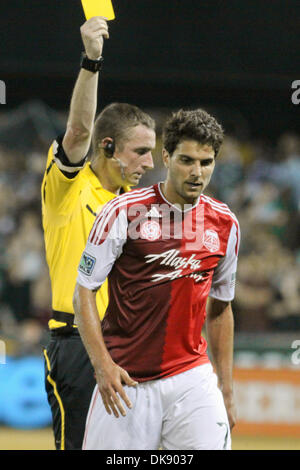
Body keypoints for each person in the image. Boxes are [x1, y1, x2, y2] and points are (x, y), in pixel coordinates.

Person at [73, 108, 241, 450]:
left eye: (206, 162)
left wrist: (225, 386)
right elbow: (84, 291)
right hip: (127, 381)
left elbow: (221, 308)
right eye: (186, 160)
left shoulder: (225, 224)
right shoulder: (123, 212)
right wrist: (103, 365)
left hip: (192, 379)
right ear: (166, 156)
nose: (197, 172)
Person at [41, 17, 156, 450]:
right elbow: (78, 132)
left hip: (132, 348)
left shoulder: (138, 205)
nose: (149, 162)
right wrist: (92, 61)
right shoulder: (67, 190)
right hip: (77, 349)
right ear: (108, 147)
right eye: (140, 151)